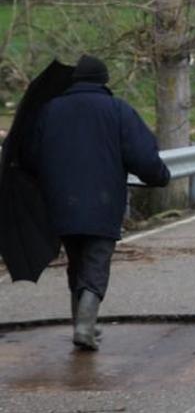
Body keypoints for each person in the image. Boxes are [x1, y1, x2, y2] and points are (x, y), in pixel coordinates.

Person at [27, 55, 170, 351]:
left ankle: (83, 324)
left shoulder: (49, 110)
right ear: (103, 81)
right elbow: (142, 156)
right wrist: (160, 177)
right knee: (96, 261)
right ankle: (84, 326)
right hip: (103, 202)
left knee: (76, 262)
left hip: (60, 202)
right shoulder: (117, 110)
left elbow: (29, 156)